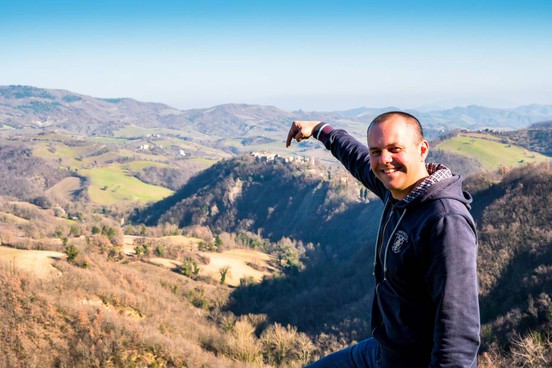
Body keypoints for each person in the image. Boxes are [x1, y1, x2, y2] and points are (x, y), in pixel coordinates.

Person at [286, 112, 480, 368]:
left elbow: (458, 329)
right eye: (376, 151)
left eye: (395, 149)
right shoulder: (401, 191)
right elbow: (356, 158)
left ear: (422, 150)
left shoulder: (444, 221)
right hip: (382, 350)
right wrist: (321, 129)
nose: (384, 160)